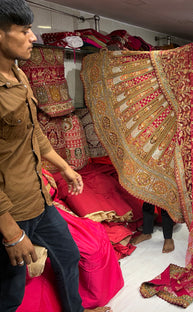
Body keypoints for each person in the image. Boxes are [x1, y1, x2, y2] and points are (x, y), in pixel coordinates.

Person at [0, 1, 111, 311]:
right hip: (10, 212)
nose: (33, 37)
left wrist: (65, 168)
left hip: (39, 201)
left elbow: (33, 132)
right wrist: (10, 233)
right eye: (23, 31)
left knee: (68, 255)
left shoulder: (19, 76)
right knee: (10, 289)